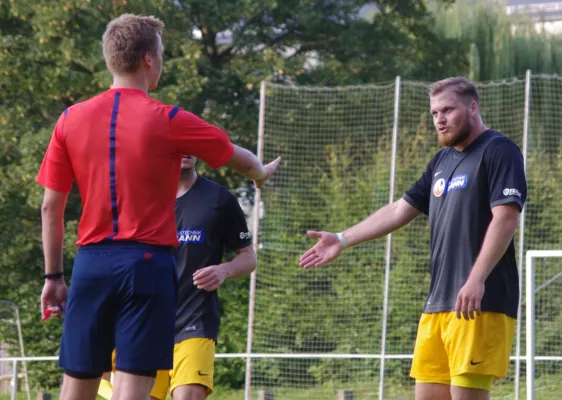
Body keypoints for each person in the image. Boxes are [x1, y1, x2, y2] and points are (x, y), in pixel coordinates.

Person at [37, 13, 280, 400]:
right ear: (149, 59)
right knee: (132, 389)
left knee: (76, 386)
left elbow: (51, 207)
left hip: (91, 264)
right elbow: (240, 158)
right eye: (162, 55)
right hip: (147, 266)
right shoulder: (168, 119)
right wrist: (260, 174)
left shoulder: (70, 119)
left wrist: (53, 277)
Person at [299, 77, 527, 400]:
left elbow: (506, 218)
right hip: (437, 305)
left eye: (447, 109)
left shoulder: (499, 150)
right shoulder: (441, 162)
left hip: (480, 301)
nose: (439, 119)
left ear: (473, 107)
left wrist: (477, 279)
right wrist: (341, 238)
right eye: (434, 113)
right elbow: (398, 210)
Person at [98, 155, 257, 400]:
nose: (185, 150)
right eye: (178, 142)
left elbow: (248, 258)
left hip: (195, 320)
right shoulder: (137, 197)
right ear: (163, 145)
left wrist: (223, 270)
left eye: (190, 143)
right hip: (144, 323)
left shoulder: (219, 199)